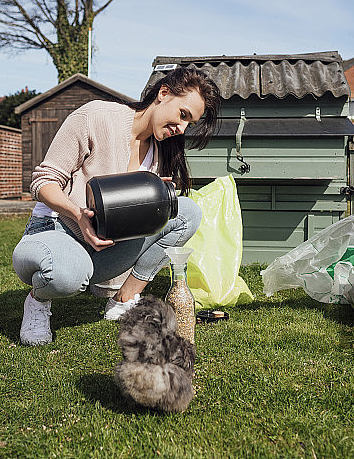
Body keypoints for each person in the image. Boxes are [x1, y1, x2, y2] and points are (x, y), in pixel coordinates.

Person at [12, 67, 221, 345]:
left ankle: (123, 299)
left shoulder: (158, 153)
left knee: (186, 212)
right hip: (56, 229)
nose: (181, 129)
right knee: (64, 275)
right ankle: (38, 302)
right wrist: (78, 214)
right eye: (182, 115)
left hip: (104, 246)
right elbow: (43, 182)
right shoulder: (96, 117)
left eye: (189, 124)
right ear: (163, 93)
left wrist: (156, 201)